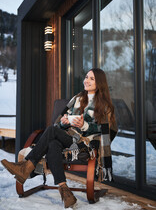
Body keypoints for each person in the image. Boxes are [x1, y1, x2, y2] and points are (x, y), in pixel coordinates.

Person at [1, 68, 118, 208]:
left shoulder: (105, 106)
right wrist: (63, 123)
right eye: (86, 77)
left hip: (85, 144)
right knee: (53, 141)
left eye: (92, 79)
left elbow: (105, 130)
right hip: (69, 137)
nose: (87, 80)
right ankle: (65, 191)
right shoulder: (78, 99)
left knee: (52, 136)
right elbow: (59, 124)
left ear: (100, 83)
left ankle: (27, 166)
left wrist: (85, 125)